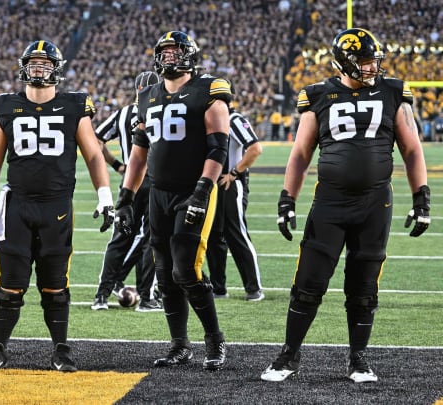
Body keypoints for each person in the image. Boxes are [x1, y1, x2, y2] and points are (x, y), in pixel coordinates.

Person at [261, 28, 430, 383]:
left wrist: (421, 196)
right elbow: (301, 153)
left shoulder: (392, 92)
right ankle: (288, 356)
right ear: (343, 63)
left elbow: (412, 149)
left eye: (374, 62)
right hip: (330, 204)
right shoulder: (319, 95)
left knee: (364, 287)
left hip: (375, 204)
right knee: (308, 282)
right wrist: (287, 198)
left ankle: (359, 359)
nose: (373, 69)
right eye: (365, 63)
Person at [0, 40, 113, 372]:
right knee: (10, 283)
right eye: (34, 62)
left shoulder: (75, 104)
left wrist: (105, 197)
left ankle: (61, 349)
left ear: (57, 68)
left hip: (57, 207)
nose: (39, 68)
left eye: (45, 63)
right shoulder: (6, 105)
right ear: (23, 67)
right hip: (17, 205)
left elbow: (93, 154)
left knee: (55, 283)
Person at [115, 31, 231, 370]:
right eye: (163, 52)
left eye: (175, 51)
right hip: (158, 194)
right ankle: (180, 345)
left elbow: (218, 147)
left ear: (190, 55)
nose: (168, 57)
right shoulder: (147, 95)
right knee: (164, 275)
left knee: (187, 269)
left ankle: (215, 341)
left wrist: (202, 190)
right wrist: (125, 198)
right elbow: (139, 153)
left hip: (192, 191)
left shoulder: (209, 89)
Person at [91, 70, 161, 312]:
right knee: (151, 239)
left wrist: (118, 165)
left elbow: (96, 141)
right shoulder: (159, 109)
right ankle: (147, 297)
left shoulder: (122, 114)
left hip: (129, 183)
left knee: (120, 238)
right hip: (154, 181)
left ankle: (101, 295)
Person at [207, 106, 264, 301]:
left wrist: (234, 173)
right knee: (214, 237)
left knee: (236, 233)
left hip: (231, 184)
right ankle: (218, 288)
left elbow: (255, 148)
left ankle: (254, 287)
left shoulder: (233, 119)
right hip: (213, 185)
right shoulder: (209, 118)